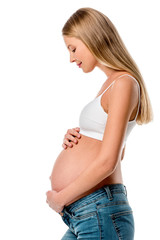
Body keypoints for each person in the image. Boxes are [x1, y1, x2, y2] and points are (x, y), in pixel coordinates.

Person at [46, 7, 153, 239]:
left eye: (73, 48)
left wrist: (60, 199)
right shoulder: (110, 83)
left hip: (99, 211)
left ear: (91, 37)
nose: (71, 58)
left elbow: (108, 162)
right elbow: (116, 149)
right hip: (87, 213)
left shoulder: (124, 83)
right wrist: (78, 138)